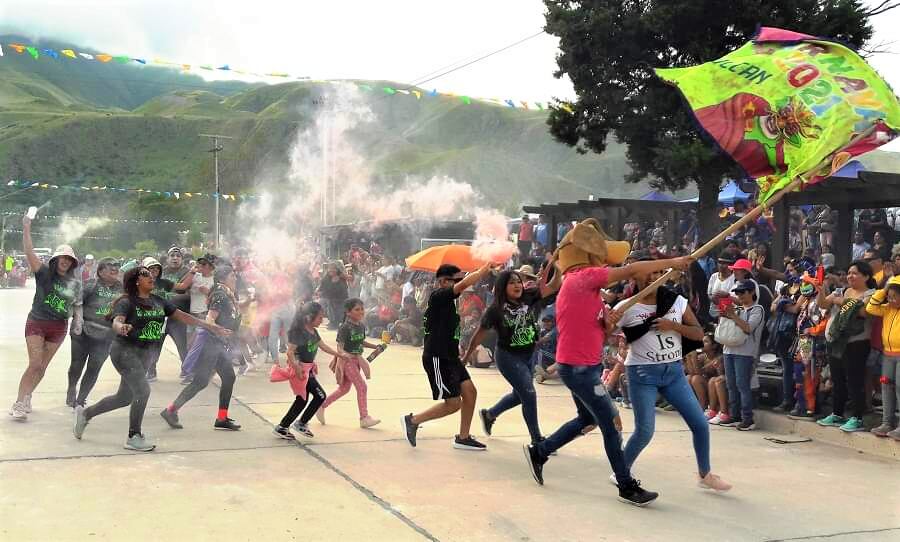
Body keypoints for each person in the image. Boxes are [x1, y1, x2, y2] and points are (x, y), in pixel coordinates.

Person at [522, 217, 691, 506]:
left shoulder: (580, 286)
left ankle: (541, 451)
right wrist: (675, 261)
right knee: (611, 425)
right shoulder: (582, 278)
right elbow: (633, 269)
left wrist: (609, 322)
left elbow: (602, 328)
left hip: (581, 366)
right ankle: (626, 485)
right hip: (580, 369)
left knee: (588, 419)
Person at [73, 266, 230, 451]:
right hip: (125, 351)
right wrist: (119, 327)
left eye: (152, 274)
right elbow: (117, 320)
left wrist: (210, 326)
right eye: (146, 275)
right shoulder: (127, 301)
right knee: (142, 390)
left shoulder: (159, 301)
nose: (151, 277)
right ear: (136, 281)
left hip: (145, 354)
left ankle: (86, 414)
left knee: (124, 398)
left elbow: (183, 317)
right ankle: (134, 436)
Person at [607, 266, 730, 491]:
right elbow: (605, 334)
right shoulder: (627, 306)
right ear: (636, 278)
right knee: (645, 431)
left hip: (673, 373)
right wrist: (610, 322)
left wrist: (672, 325)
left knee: (700, 425)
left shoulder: (676, 302)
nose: (654, 277)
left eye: (658, 273)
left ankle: (705, 474)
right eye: (648, 273)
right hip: (642, 374)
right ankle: (621, 472)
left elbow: (698, 333)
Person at [401, 262, 496, 451]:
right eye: (457, 280)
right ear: (443, 282)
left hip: (451, 356)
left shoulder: (450, 301)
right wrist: (482, 270)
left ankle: (463, 437)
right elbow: (460, 287)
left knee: (470, 392)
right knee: (453, 404)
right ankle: (412, 421)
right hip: (438, 357)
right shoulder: (438, 296)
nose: (461, 284)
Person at [462, 266, 560, 446]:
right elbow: (479, 334)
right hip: (508, 358)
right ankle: (537, 439)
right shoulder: (495, 310)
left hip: (528, 355)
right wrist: (467, 355)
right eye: (511, 283)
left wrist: (559, 267)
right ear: (502, 287)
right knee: (529, 394)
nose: (517, 285)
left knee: (519, 394)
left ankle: (490, 414)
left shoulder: (530, 297)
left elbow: (554, 286)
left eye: (518, 282)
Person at [10, 213, 82, 421]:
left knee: (42, 367)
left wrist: (78, 322)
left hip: (59, 328)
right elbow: (28, 251)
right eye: (63, 258)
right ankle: (19, 403)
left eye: (69, 259)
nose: (65, 262)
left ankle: (28, 395)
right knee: (34, 364)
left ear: (72, 263)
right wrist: (26, 227)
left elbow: (77, 306)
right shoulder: (43, 273)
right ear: (56, 259)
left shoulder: (75, 284)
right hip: (37, 322)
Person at [161, 266, 245, 431]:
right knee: (201, 381)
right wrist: (218, 329)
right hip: (211, 344)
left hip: (218, 345)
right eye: (232, 276)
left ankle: (221, 418)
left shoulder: (227, 294)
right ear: (223, 278)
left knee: (226, 377)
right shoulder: (221, 295)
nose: (235, 278)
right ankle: (171, 410)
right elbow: (210, 318)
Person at [816, 261, 875, 433]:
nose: (850, 276)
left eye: (855, 273)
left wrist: (840, 300)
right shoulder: (841, 290)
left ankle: (857, 417)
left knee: (854, 381)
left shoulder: (871, 294)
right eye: (848, 272)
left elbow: (863, 312)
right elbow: (823, 305)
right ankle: (837, 413)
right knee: (837, 379)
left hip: (856, 344)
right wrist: (821, 290)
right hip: (836, 342)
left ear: (866, 276)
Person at [272, 302, 343, 440]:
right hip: (300, 370)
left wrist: (339, 354)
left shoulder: (313, 332)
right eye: (320, 317)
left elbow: (323, 346)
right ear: (309, 317)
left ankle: (285, 426)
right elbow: (290, 352)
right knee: (318, 396)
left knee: (304, 399)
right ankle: (296, 424)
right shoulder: (299, 332)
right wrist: (297, 367)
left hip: (308, 370)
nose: (322, 320)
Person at [316, 298, 381, 428]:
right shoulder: (344, 327)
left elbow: (361, 342)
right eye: (357, 309)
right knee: (362, 386)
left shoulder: (361, 326)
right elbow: (340, 346)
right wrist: (343, 354)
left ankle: (321, 406)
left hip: (357, 360)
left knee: (344, 389)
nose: (361, 312)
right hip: (347, 361)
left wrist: (376, 347)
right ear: (348, 312)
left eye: (362, 309)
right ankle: (364, 417)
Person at [66, 258, 122, 408]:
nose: (115, 269)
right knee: (77, 365)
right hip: (82, 332)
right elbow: (77, 304)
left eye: (117, 266)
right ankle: (71, 389)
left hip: (106, 336)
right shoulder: (91, 285)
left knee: (94, 367)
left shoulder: (123, 289)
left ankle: (81, 399)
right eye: (111, 266)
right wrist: (77, 322)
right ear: (101, 271)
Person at [720, 280, 766, 431]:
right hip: (729, 350)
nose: (739, 295)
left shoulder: (757, 309)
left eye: (743, 292)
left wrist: (732, 315)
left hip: (746, 353)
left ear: (752, 292)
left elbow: (748, 328)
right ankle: (735, 416)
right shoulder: (737, 308)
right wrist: (727, 314)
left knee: (742, 385)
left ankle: (748, 418)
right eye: (737, 292)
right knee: (731, 385)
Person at [865, 276, 900, 440]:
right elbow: (871, 308)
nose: (891, 300)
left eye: (895, 296)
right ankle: (887, 422)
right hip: (888, 354)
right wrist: (885, 290)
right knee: (886, 386)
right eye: (890, 297)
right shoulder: (886, 309)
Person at [319, 262, 349, 330]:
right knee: (331, 312)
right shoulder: (326, 277)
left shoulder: (342, 277)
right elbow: (322, 285)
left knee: (340, 312)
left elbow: (347, 282)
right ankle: (333, 323)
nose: (331, 270)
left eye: (333, 269)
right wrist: (319, 291)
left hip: (341, 298)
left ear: (337, 269)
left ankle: (340, 324)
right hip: (331, 298)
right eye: (330, 268)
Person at [707, 255, 736, 321]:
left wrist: (726, 297)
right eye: (719, 262)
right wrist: (713, 299)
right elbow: (709, 294)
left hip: (728, 316)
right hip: (713, 314)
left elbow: (738, 300)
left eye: (724, 263)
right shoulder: (714, 276)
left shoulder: (734, 278)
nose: (721, 265)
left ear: (730, 265)